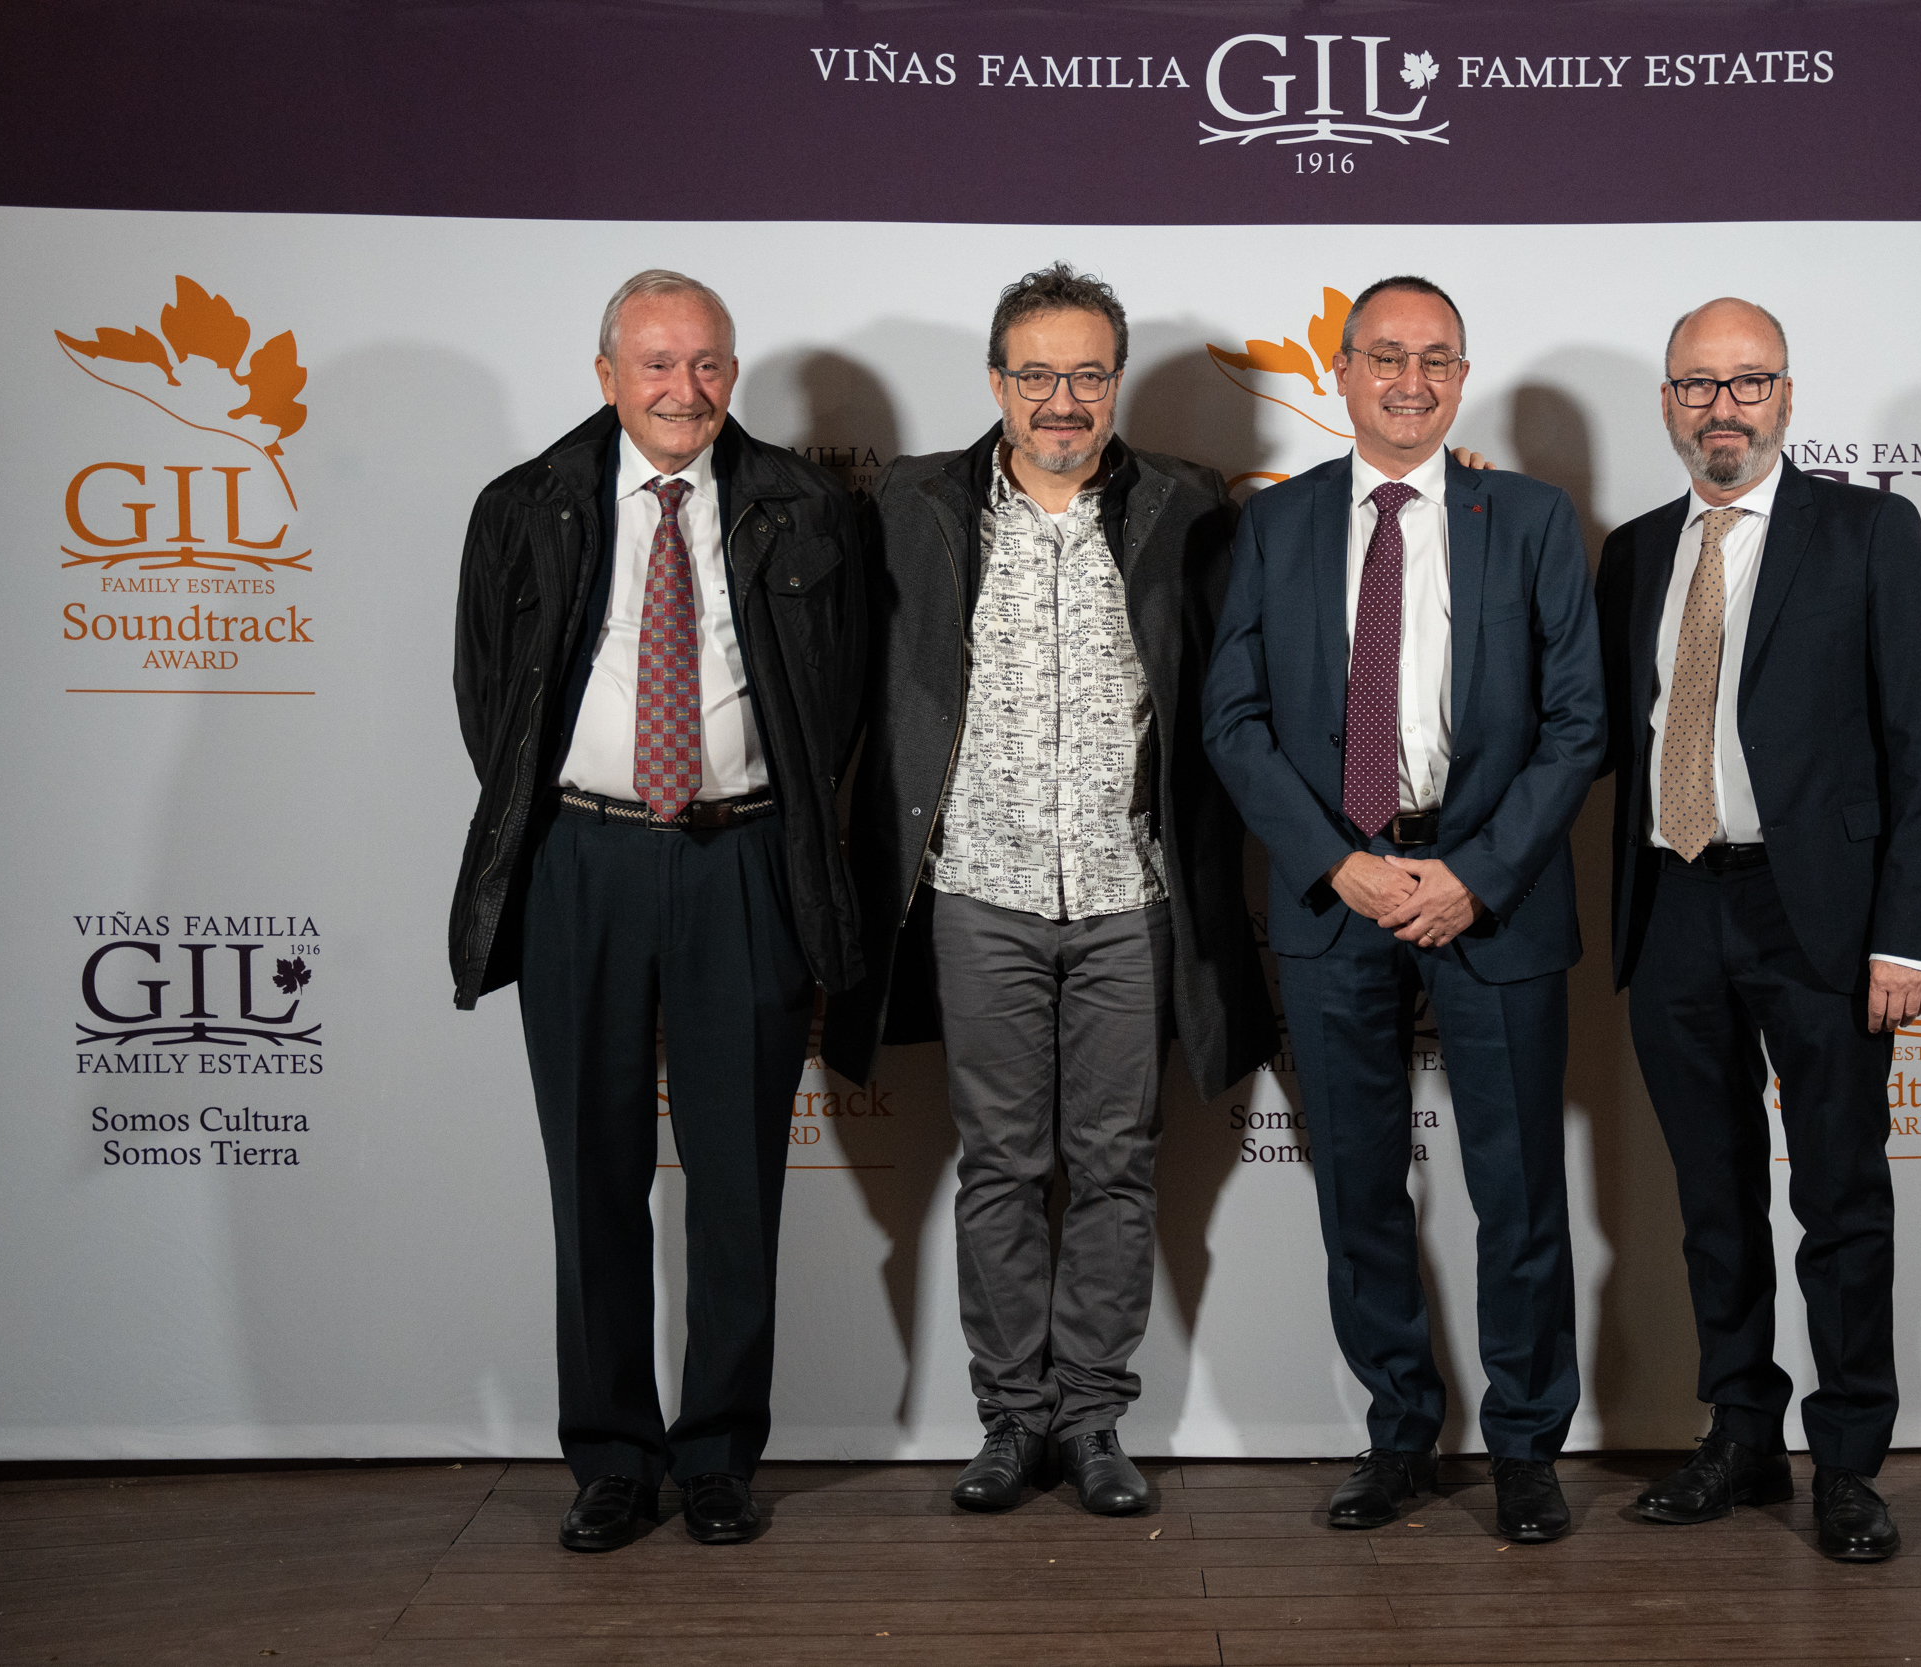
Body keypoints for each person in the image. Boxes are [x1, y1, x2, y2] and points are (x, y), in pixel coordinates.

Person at [824, 264, 1273, 1517]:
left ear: (1114, 382)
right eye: (1036, 374)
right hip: (979, 889)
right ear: (995, 381)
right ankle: (1010, 1418)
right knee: (1003, 1165)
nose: (1061, 399)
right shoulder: (912, 502)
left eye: (1086, 374)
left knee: (1117, 1165)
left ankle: (1092, 1418)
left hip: (1133, 894)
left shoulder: (1188, 504)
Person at [448, 270, 864, 1553]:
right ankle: (613, 1458)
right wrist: (581, 815)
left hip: (746, 861)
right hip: (581, 861)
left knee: (738, 1179)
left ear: (734, 372)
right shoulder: (522, 505)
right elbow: (488, 699)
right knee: (593, 1174)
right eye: (658, 364)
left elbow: (840, 700)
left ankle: (719, 1454)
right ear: (607, 375)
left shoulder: (808, 508)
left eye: (709, 364)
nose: (685, 390)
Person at [1202, 275, 1606, 1544]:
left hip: (1492, 894)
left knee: (1519, 1190)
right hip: (1337, 897)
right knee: (1358, 1187)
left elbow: (1579, 721)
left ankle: (1526, 1445)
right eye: (1386, 355)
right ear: (1341, 371)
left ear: (1462, 376)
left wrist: (1474, 873)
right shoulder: (1275, 526)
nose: (1410, 381)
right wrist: (1339, 862)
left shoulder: (1531, 519)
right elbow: (1233, 720)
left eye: (1436, 358)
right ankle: (1396, 1434)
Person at [1594, 297, 1921, 1562]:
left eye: (1747, 382)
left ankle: (1847, 1460)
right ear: (1667, 404)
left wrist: (1908, 935)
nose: (1723, 407)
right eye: (1697, 384)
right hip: (1672, 899)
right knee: (1712, 1197)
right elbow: (1598, 728)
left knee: (1842, 1198)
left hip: (1823, 916)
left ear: (1786, 396)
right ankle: (1741, 1432)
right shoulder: (1633, 551)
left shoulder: (1865, 531)